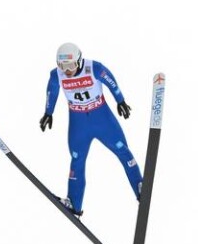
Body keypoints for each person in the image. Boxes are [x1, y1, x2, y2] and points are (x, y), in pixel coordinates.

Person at [39, 43, 142, 217]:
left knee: (122, 150)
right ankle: (74, 203)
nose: (67, 70)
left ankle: (140, 187)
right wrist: (48, 113)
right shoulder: (56, 75)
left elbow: (110, 81)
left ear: (79, 61)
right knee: (76, 160)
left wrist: (121, 101)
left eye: (71, 65)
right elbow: (52, 92)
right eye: (62, 66)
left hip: (102, 118)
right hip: (79, 123)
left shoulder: (94, 68)